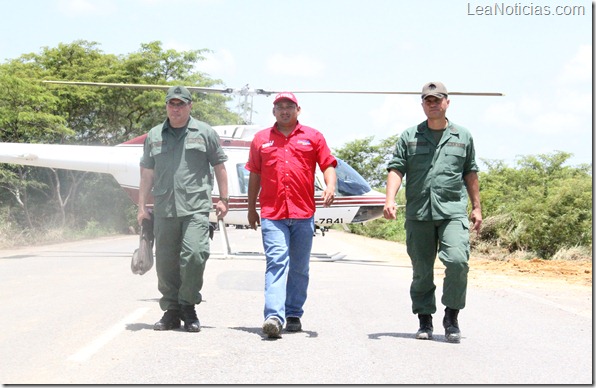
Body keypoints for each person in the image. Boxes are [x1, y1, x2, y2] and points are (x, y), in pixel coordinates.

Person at [383, 81, 482, 343]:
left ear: (447, 102)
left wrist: (477, 207)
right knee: (422, 270)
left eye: (437, 99)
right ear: (422, 104)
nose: (433, 103)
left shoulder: (463, 136)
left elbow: (470, 172)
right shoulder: (409, 136)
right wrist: (389, 199)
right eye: (428, 100)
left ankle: (451, 317)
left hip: (452, 211)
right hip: (419, 213)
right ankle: (424, 318)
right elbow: (396, 169)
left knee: (458, 262)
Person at [137, 85, 229, 332]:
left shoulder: (205, 132)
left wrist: (224, 199)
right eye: (171, 104)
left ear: (190, 106)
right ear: (166, 106)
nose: (175, 108)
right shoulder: (154, 135)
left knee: (195, 254)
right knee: (166, 262)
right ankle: (171, 310)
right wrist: (141, 206)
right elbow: (147, 173)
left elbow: (220, 166)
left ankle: (188, 305)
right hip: (164, 208)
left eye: (181, 104)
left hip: (196, 207)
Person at [245, 92, 337, 339]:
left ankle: (294, 313)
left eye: (289, 106)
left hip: (303, 213)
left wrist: (330, 185)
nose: (284, 110)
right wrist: (251, 208)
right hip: (272, 214)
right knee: (276, 262)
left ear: (298, 110)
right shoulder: (260, 139)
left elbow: (328, 163)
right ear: (273, 112)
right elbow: (254, 174)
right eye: (280, 107)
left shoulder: (313, 137)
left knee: (299, 267)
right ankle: (273, 316)